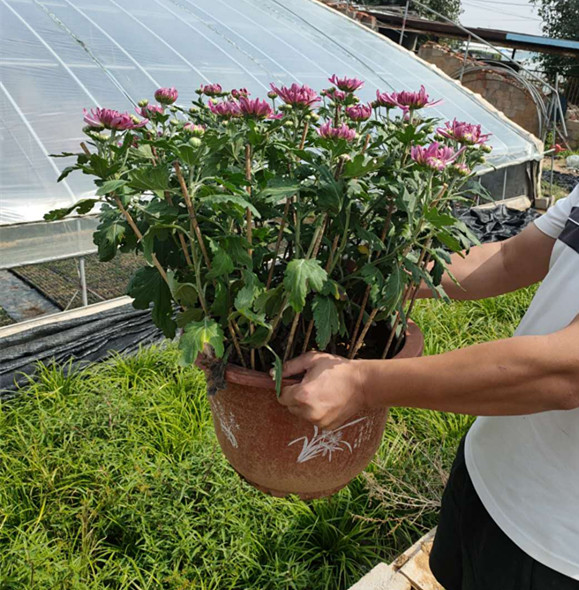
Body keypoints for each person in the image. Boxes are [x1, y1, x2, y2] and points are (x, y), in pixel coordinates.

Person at [278, 184, 579, 589]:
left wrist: (364, 384)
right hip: (489, 466)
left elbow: (565, 373)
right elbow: (509, 259)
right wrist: (390, 278)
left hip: (555, 548)